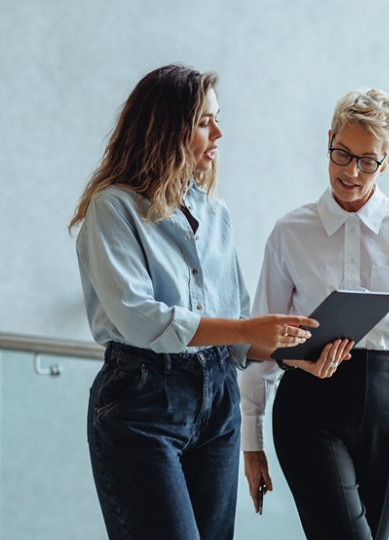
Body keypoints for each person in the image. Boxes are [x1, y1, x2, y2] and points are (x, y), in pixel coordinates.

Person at [69, 64, 318, 540]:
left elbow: (236, 325)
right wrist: (246, 331)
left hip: (218, 395)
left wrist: (292, 349)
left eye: (216, 119)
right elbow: (141, 318)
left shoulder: (215, 211)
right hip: (142, 401)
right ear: (166, 130)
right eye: (205, 122)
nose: (219, 132)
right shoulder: (113, 208)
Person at [239, 88, 389, 540]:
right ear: (329, 140)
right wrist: (251, 442)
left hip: (385, 404)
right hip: (307, 407)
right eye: (342, 154)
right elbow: (260, 339)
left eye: (367, 161)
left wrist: (362, 314)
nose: (351, 172)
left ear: (387, 160)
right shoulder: (289, 232)